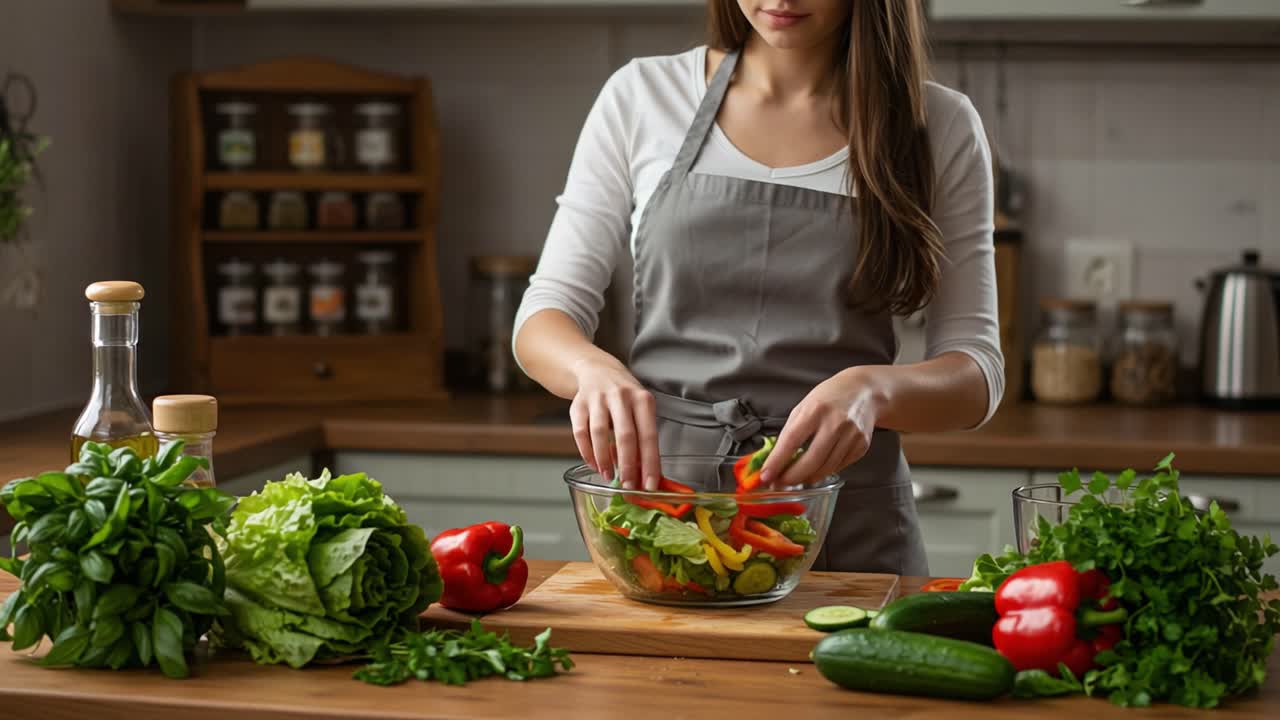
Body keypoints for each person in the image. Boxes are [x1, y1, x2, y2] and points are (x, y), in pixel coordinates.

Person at [512, 0, 1003, 575]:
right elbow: (546, 314)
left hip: (845, 521)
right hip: (662, 516)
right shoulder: (644, 94)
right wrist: (591, 370)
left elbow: (978, 371)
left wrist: (872, 392)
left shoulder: (937, 122)